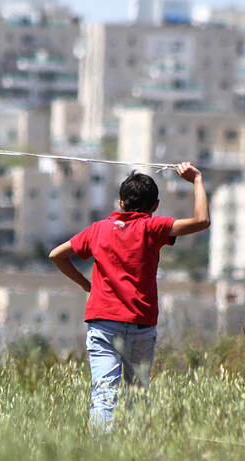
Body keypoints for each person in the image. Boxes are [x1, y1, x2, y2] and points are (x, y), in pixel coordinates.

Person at [49, 162, 209, 432]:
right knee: (137, 397)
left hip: (102, 323)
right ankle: (136, 455)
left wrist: (86, 285)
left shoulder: (97, 230)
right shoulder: (153, 227)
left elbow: (57, 255)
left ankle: (99, 457)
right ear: (155, 206)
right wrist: (197, 180)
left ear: (120, 202)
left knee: (104, 397)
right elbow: (201, 221)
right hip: (141, 325)